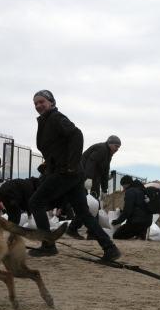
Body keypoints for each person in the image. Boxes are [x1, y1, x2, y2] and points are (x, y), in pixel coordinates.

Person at [26, 90, 121, 260]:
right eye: (35, 103)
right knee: (83, 213)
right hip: (71, 173)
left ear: (51, 102)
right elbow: (56, 146)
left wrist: (71, 165)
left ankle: (48, 244)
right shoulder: (46, 121)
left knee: (35, 202)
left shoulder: (55, 118)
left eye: (42, 102)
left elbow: (76, 134)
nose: (38, 105)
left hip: (66, 172)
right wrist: (50, 162)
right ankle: (110, 248)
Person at [66, 136, 121, 239]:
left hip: (93, 177)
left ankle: (84, 230)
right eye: (116, 146)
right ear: (110, 143)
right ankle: (87, 231)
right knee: (89, 205)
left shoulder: (108, 155)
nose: (117, 149)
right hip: (82, 175)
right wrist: (88, 178)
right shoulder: (102, 149)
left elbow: (105, 173)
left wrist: (104, 190)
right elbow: (91, 161)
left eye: (119, 147)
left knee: (93, 205)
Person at [111, 175, 153, 239]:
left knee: (117, 235)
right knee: (133, 227)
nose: (123, 188)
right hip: (148, 221)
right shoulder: (142, 189)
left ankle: (139, 232)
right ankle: (142, 232)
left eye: (123, 186)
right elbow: (138, 206)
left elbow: (128, 210)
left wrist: (118, 221)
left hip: (137, 222)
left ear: (125, 185)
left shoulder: (130, 191)